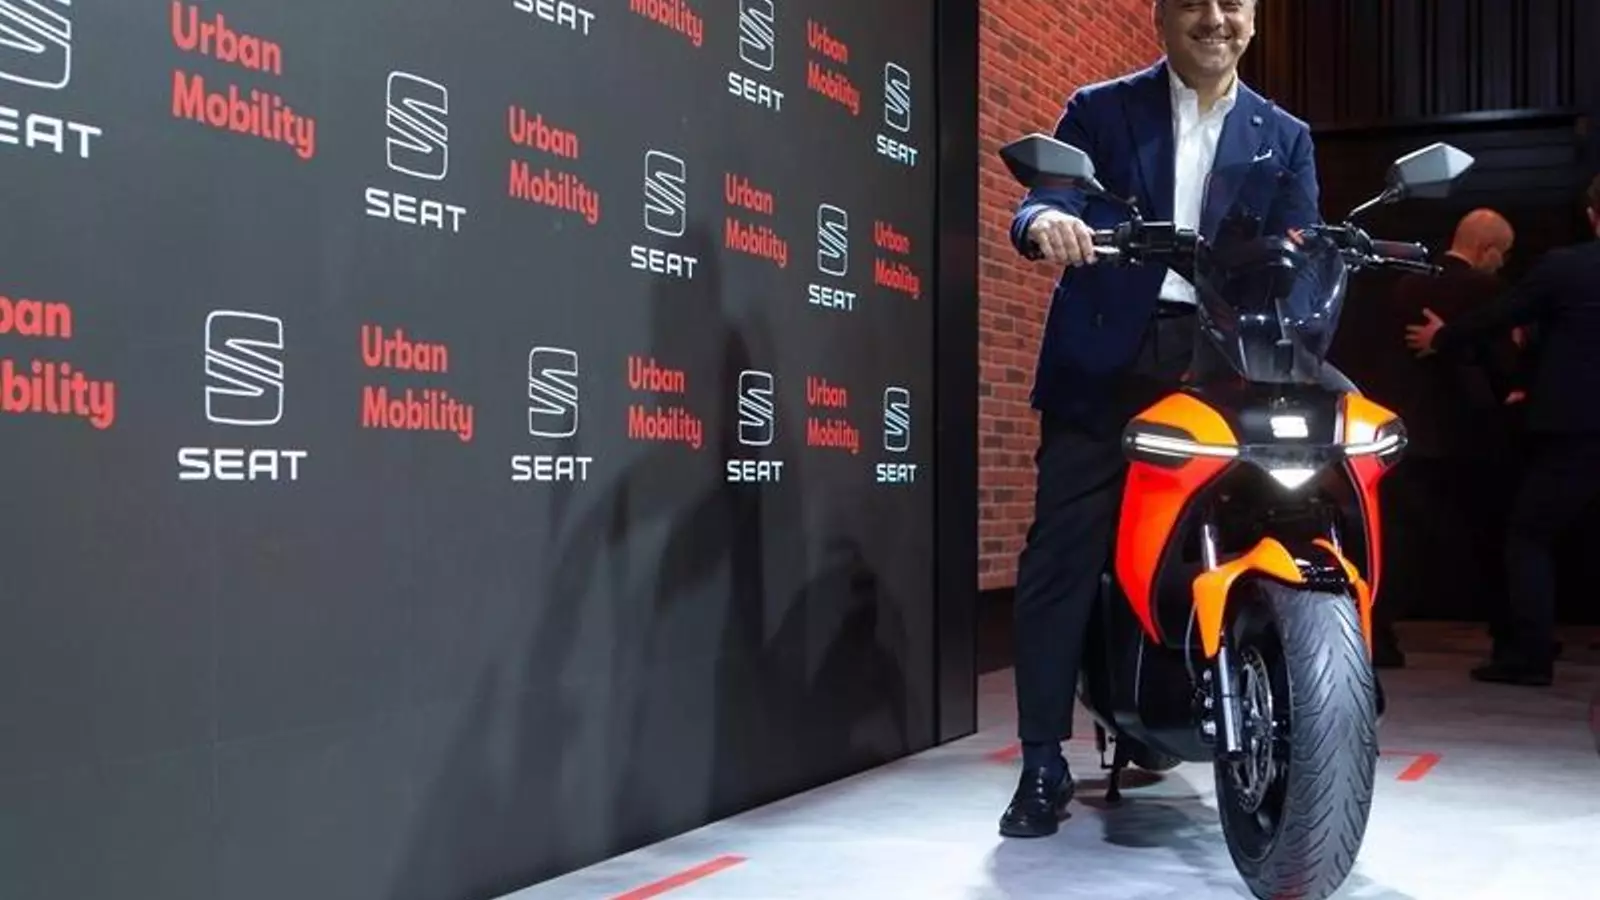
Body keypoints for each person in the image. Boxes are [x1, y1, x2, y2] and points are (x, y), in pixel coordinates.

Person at [1000, 0, 1319, 838]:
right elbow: (1044, 198)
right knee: (1065, 550)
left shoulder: (1284, 136)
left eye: (1233, 4)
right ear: (1161, 17)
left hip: (1226, 362)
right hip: (1108, 359)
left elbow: (1304, 248)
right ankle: (1042, 761)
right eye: (1193, 4)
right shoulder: (1101, 110)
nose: (1215, 19)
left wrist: (1306, 291)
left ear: (1253, 18)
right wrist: (1050, 221)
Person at [1405, 175, 1600, 686]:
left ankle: (1530, 656)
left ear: (1592, 215)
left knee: (1528, 536)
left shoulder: (1566, 268)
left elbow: (1498, 314)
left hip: (1574, 427)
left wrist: (1443, 337)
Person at [1369, 210, 1523, 667]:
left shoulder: (1406, 285)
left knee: (1400, 540)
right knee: (1493, 538)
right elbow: (1502, 361)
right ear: (1486, 250)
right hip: (1465, 431)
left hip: (1407, 428)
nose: (1503, 263)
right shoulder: (1486, 290)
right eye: (1503, 253)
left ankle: (1379, 635)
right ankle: (1513, 637)